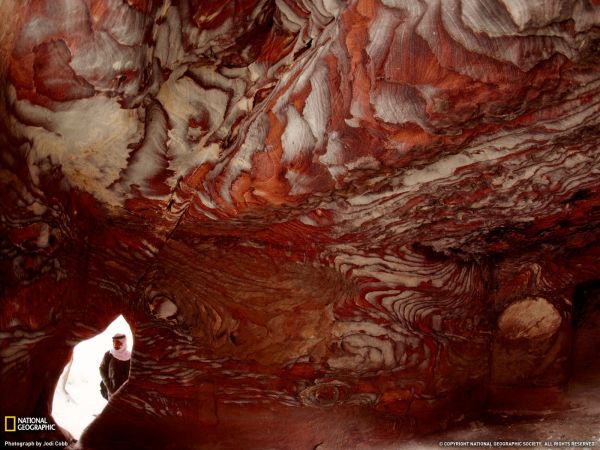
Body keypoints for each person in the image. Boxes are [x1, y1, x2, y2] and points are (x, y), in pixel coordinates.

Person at [99, 333, 131, 400]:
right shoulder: (109, 354)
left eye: (118, 342)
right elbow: (102, 369)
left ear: (123, 342)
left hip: (126, 392)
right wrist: (108, 384)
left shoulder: (130, 356)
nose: (115, 345)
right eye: (114, 342)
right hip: (111, 390)